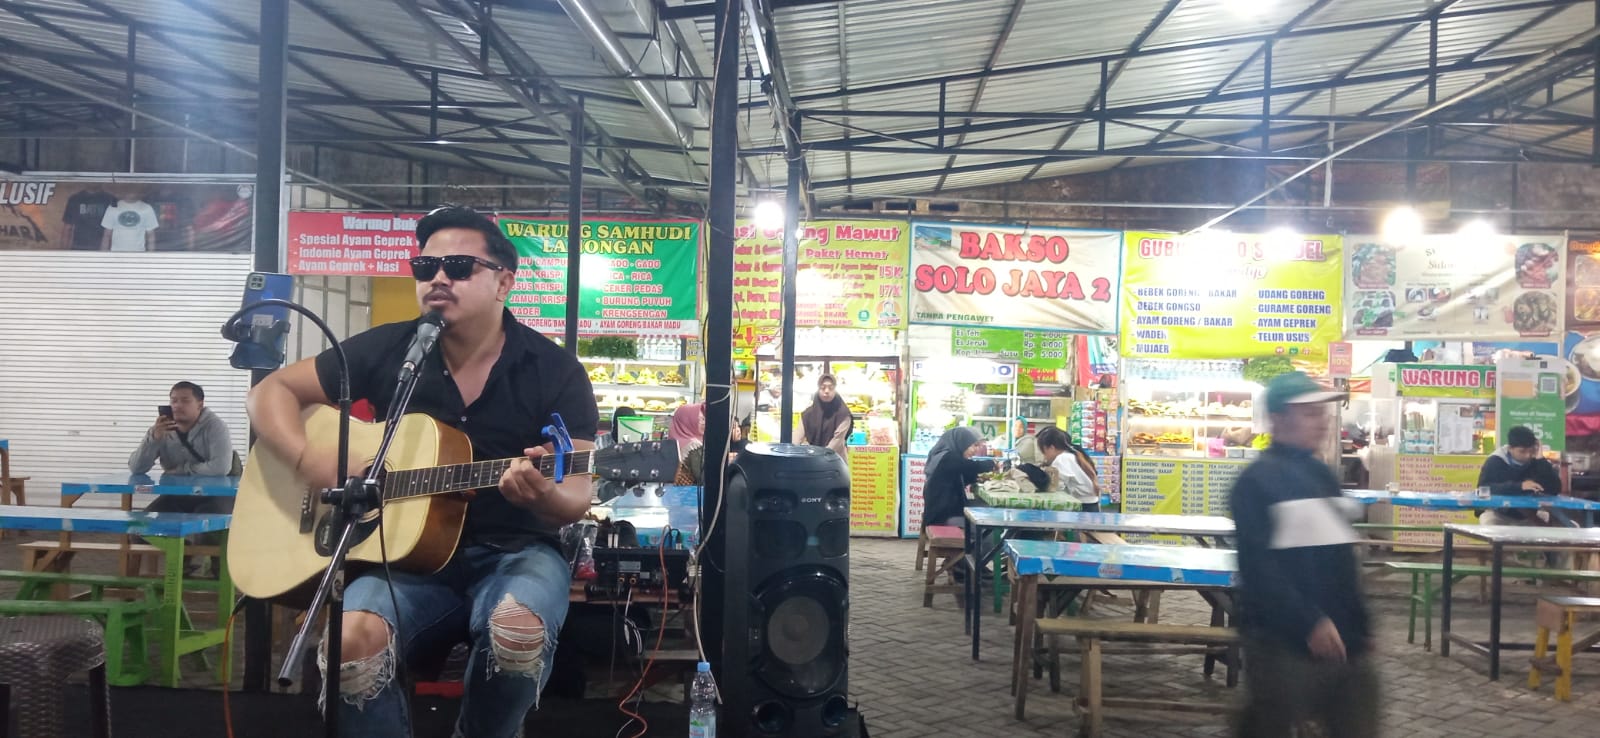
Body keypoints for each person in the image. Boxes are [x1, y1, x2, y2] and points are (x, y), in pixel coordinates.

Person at [246, 205, 598, 738]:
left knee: (516, 634)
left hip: (515, 550)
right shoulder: (392, 348)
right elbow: (270, 391)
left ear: (504, 280)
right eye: (424, 267)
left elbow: (576, 491)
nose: (437, 278)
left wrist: (541, 497)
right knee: (347, 646)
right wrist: (313, 461)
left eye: (458, 266)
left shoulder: (555, 371)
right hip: (398, 557)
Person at [1230, 372, 1377, 738]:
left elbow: (1339, 557)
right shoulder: (1256, 481)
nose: (1323, 421)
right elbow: (1260, 568)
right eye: (1309, 412)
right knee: (1269, 725)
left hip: (1343, 641)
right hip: (1282, 641)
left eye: (1321, 412)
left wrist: (1360, 625)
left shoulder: (1321, 474)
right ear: (1279, 419)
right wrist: (1309, 621)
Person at [1477, 426, 1565, 526]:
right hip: (1498, 514)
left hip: (1530, 516)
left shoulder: (1537, 462)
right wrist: (1519, 486)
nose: (1527, 455)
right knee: (1489, 523)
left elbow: (1555, 489)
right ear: (1510, 448)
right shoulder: (1495, 461)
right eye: (1522, 451)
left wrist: (1540, 458)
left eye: (1531, 450)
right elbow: (1482, 489)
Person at [919, 426, 995, 530]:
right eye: (973, 445)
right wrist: (992, 464)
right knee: (986, 524)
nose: (976, 450)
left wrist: (976, 478)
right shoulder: (947, 458)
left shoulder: (944, 456)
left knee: (984, 513)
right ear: (961, 443)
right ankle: (980, 546)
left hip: (945, 511)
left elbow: (959, 475)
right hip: (943, 516)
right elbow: (973, 466)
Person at [1035, 426, 1099, 512]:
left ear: (1051, 447)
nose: (1044, 456)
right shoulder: (1073, 455)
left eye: (1044, 451)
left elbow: (1056, 487)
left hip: (1082, 507)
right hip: (1091, 505)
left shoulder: (1062, 459)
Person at [800, 374, 853, 457]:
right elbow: (797, 436)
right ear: (818, 389)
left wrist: (820, 457)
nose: (827, 391)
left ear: (835, 390)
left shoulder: (843, 414)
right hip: (812, 461)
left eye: (831, 388)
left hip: (835, 461)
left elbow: (837, 440)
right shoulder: (808, 414)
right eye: (823, 387)